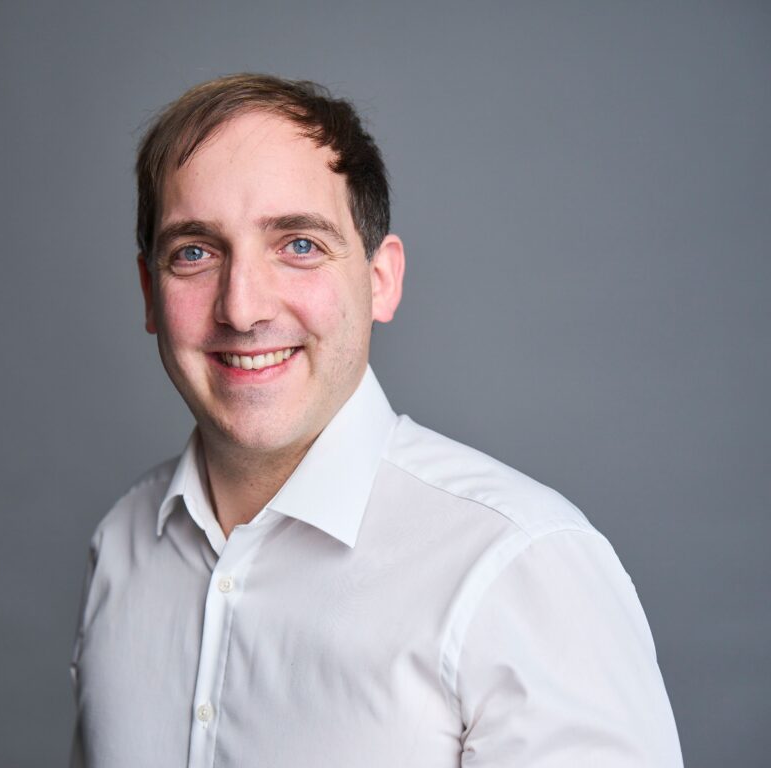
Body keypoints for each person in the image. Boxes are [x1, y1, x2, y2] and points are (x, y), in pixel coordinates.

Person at [69, 73, 682, 767]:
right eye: (195, 253)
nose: (241, 308)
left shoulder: (521, 570)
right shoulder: (121, 548)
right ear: (149, 293)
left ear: (381, 280)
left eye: (299, 244)